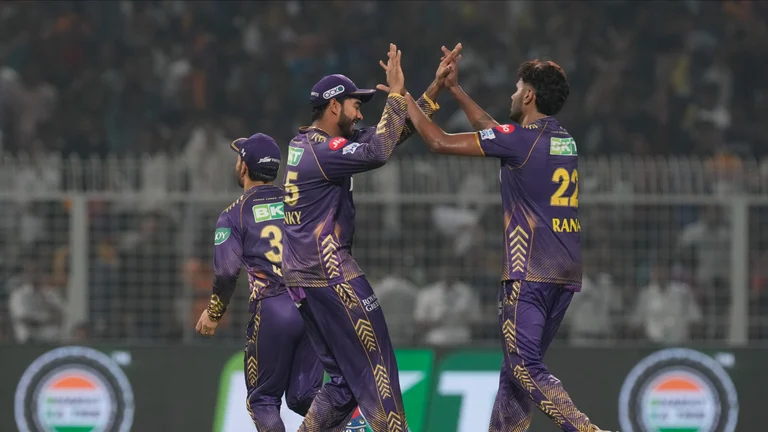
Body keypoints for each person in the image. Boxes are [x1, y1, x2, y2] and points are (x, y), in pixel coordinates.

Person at [402, 44, 613, 432]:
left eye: (517, 89)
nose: (513, 95)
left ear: (529, 95)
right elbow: (498, 132)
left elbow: (438, 141)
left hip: (529, 269)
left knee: (523, 366)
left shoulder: (519, 140)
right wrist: (456, 91)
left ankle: (583, 427)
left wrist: (402, 98)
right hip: (564, 270)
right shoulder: (562, 140)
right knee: (513, 373)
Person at [281, 43, 460, 432]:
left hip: (304, 278)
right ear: (333, 107)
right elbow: (379, 150)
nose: (360, 110)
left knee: (344, 385)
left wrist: (433, 89)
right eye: (354, 104)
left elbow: (391, 134)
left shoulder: (307, 145)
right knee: (379, 363)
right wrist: (396, 92)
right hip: (332, 274)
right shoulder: (325, 151)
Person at [194, 133, 329, 431]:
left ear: (244, 167)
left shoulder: (234, 214)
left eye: (238, 156)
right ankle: (352, 421)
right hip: (314, 303)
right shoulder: (301, 202)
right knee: (304, 395)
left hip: (274, 307)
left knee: (263, 400)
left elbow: (227, 272)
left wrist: (214, 314)